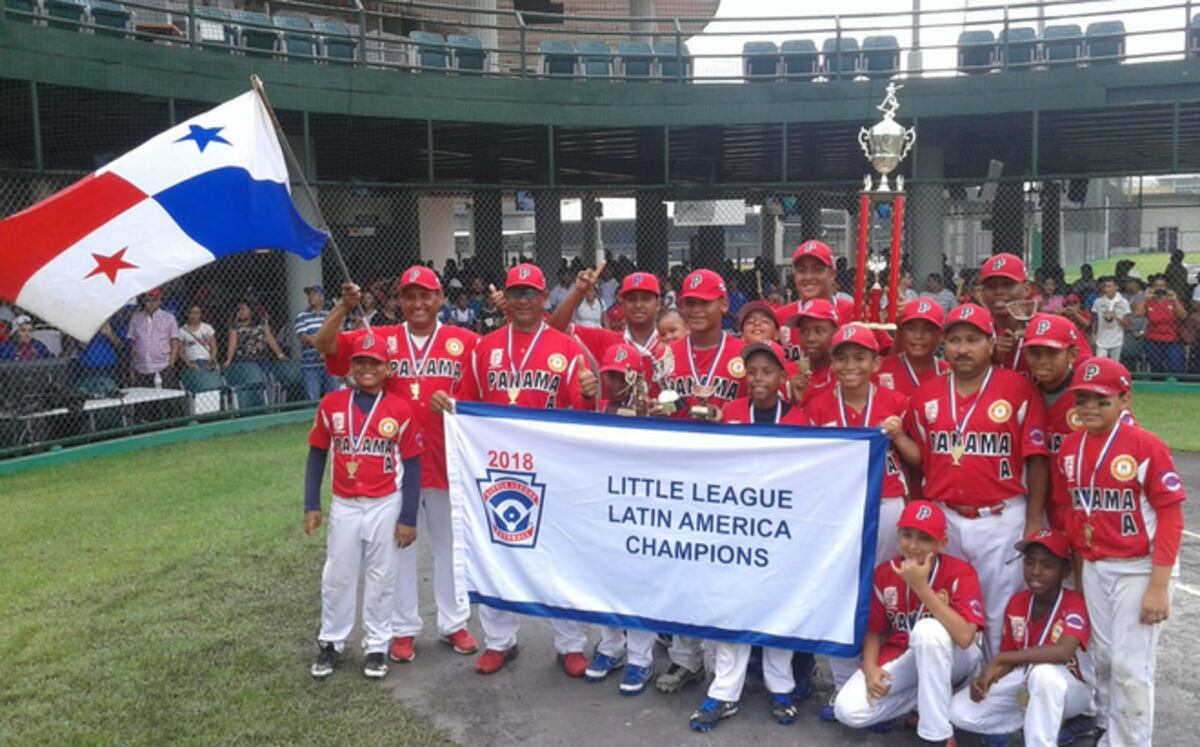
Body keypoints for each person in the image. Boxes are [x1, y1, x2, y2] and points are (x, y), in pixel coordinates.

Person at [433, 263, 596, 678]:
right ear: (505, 299)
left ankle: (570, 643)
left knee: (560, 554)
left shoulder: (566, 347)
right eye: (516, 293)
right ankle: (499, 641)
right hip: (497, 467)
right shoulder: (484, 348)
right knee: (496, 552)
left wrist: (589, 392)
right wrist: (448, 405)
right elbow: (466, 402)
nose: (523, 301)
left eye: (531, 294)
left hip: (551, 467)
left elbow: (581, 409)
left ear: (544, 299)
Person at [316, 266, 483, 667]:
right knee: (399, 551)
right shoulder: (381, 337)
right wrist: (343, 307)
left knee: (450, 548)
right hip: (395, 468)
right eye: (409, 296)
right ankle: (403, 627)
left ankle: (454, 622)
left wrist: (457, 403)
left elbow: (485, 391)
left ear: (440, 298)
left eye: (425, 295)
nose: (418, 303)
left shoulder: (465, 341)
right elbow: (326, 345)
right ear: (399, 301)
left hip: (446, 461)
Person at [906, 303, 1050, 657]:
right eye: (954, 340)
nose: (962, 349)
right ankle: (954, 680)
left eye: (972, 340)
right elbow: (920, 459)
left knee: (1000, 608)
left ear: (991, 343)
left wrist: (1034, 520)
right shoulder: (927, 394)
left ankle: (995, 679)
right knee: (946, 603)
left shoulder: (1017, 388)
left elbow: (1036, 460)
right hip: (945, 517)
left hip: (1000, 517)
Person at [1059, 357, 1184, 746]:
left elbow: (1171, 517)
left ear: (1125, 399)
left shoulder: (1146, 446)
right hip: (1097, 565)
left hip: (1140, 568)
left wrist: (1158, 586)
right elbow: (1073, 512)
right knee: (1105, 656)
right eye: (1082, 399)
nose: (1090, 407)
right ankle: (1111, 731)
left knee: (1131, 666)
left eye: (1102, 399)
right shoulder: (1070, 447)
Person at [688, 340, 809, 733]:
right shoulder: (732, 412)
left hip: (781, 526)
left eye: (767, 371)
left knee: (780, 604)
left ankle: (781, 688)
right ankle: (725, 690)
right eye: (752, 371)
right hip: (737, 526)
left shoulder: (799, 419)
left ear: (782, 376)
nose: (758, 378)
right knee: (732, 603)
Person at [806, 324, 922, 710]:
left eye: (860, 357)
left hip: (888, 504)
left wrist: (898, 436)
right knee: (840, 591)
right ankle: (844, 683)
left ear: (876, 363)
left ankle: (885, 676)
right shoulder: (818, 405)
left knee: (886, 589)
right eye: (841, 358)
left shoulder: (896, 401)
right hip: (839, 509)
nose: (850, 365)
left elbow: (918, 459)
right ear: (832, 363)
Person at [305, 333, 423, 680]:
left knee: (382, 575)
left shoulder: (400, 408)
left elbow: (413, 464)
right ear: (350, 366)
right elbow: (317, 453)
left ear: (388, 368)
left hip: (386, 502)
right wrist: (311, 504)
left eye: (375, 363)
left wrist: (408, 516)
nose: (367, 369)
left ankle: (376, 645)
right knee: (338, 574)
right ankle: (332, 641)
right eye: (360, 362)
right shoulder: (332, 404)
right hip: (345, 502)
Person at [655, 268, 747, 694]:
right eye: (688, 303)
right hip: (679, 474)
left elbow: (759, 409)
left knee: (724, 572)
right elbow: (656, 405)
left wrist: (727, 416)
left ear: (723, 305)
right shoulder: (668, 355)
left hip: (728, 477)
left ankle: (723, 667)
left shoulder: (744, 353)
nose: (694, 310)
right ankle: (685, 658)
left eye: (703, 302)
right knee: (679, 568)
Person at [832, 501, 985, 746]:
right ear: (898, 534)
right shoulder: (885, 573)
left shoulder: (959, 572)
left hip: (955, 660)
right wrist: (870, 667)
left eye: (924, 538)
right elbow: (874, 630)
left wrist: (921, 588)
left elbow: (966, 637)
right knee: (847, 710)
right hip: (906, 656)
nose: (913, 545)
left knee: (928, 630)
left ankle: (936, 736)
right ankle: (931, 700)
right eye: (907, 535)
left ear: (942, 543)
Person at [949, 528, 1095, 747]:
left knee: (1044, 674)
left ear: (1065, 570)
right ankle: (1029, 723)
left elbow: (1063, 652)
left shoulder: (1074, 602)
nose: (1035, 571)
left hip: (1071, 690)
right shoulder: (1018, 601)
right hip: (1026, 680)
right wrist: (989, 676)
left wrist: (1001, 659)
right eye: (1029, 562)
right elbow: (1011, 658)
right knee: (959, 711)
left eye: (1047, 565)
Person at [548, 267, 668, 399]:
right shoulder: (605, 340)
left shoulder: (670, 344)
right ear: (622, 305)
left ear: (658, 305)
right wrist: (579, 292)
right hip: (611, 413)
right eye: (631, 299)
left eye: (646, 299)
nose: (638, 305)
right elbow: (555, 329)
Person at [1023, 314, 1088, 535]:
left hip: (1083, 502)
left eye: (1052, 353)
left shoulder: (1090, 397)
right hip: (1038, 501)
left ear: (1072, 354)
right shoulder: (1023, 391)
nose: (1042, 361)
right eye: (1034, 353)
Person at [875, 299, 949, 400]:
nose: (918, 336)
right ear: (901, 331)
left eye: (928, 330)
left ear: (941, 335)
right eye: (911, 329)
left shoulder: (950, 373)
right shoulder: (878, 369)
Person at [779, 298, 839, 407]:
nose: (810, 338)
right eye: (804, 331)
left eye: (819, 331)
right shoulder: (789, 374)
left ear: (836, 333)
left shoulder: (844, 375)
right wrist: (794, 402)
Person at [127, 290, 181, 388]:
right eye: (148, 300)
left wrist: (171, 363)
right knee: (145, 395)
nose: (151, 303)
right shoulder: (136, 319)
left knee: (168, 395)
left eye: (155, 300)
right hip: (142, 368)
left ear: (160, 301)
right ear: (144, 301)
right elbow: (134, 344)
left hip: (163, 366)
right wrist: (132, 368)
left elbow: (175, 342)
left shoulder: (169, 317)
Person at [294, 285, 339, 402]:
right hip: (310, 365)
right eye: (309, 294)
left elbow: (335, 335)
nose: (310, 297)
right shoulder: (301, 317)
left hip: (329, 363)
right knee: (312, 399)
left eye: (314, 294)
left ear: (322, 297)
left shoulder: (330, 315)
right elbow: (303, 338)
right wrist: (322, 347)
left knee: (334, 397)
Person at [1137, 274, 1187, 374]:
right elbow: (1138, 314)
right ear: (1152, 288)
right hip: (1153, 339)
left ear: (1166, 287)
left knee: (1176, 367)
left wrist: (1174, 300)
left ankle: (1174, 382)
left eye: (1162, 286)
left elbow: (1183, 316)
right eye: (1156, 285)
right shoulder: (1149, 301)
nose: (1159, 288)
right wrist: (1145, 298)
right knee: (1156, 367)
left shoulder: (1171, 300)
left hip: (1172, 339)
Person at [224, 301, 287, 374]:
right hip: (244, 359)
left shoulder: (262, 323)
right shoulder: (235, 325)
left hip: (261, 358)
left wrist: (280, 355)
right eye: (239, 309)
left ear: (251, 311)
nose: (240, 312)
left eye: (243, 309)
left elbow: (270, 338)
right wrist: (229, 360)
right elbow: (232, 343)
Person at [1090, 277, 1131, 361]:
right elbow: (1095, 320)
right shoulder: (1098, 302)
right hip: (1101, 339)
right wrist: (1093, 334)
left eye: (1109, 287)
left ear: (1116, 287)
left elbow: (1127, 324)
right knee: (1101, 362)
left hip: (1116, 339)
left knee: (1114, 364)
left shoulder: (1123, 302)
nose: (1106, 289)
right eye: (1105, 287)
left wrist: (1116, 316)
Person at [179, 305, 218, 373]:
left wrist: (211, 359)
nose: (195, 315)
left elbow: (214, 347)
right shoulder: (181, 331)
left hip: (207, 360)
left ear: (200, 314)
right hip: (192, 361)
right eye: (192, 313)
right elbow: (181, 352)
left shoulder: (207, 328)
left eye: (197, 313)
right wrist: (190, 364)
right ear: (187, 314)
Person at [1121, 275, 1148, 372]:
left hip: (1140, 331)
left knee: (1137, 356)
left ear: (1136, 283)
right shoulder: (1123, 296)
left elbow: (1140, 313)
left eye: (1128, 282)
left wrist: (1142, 330)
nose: (1126, 285)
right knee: (1126, 356)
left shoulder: (1144, 296)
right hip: (1125, 331)